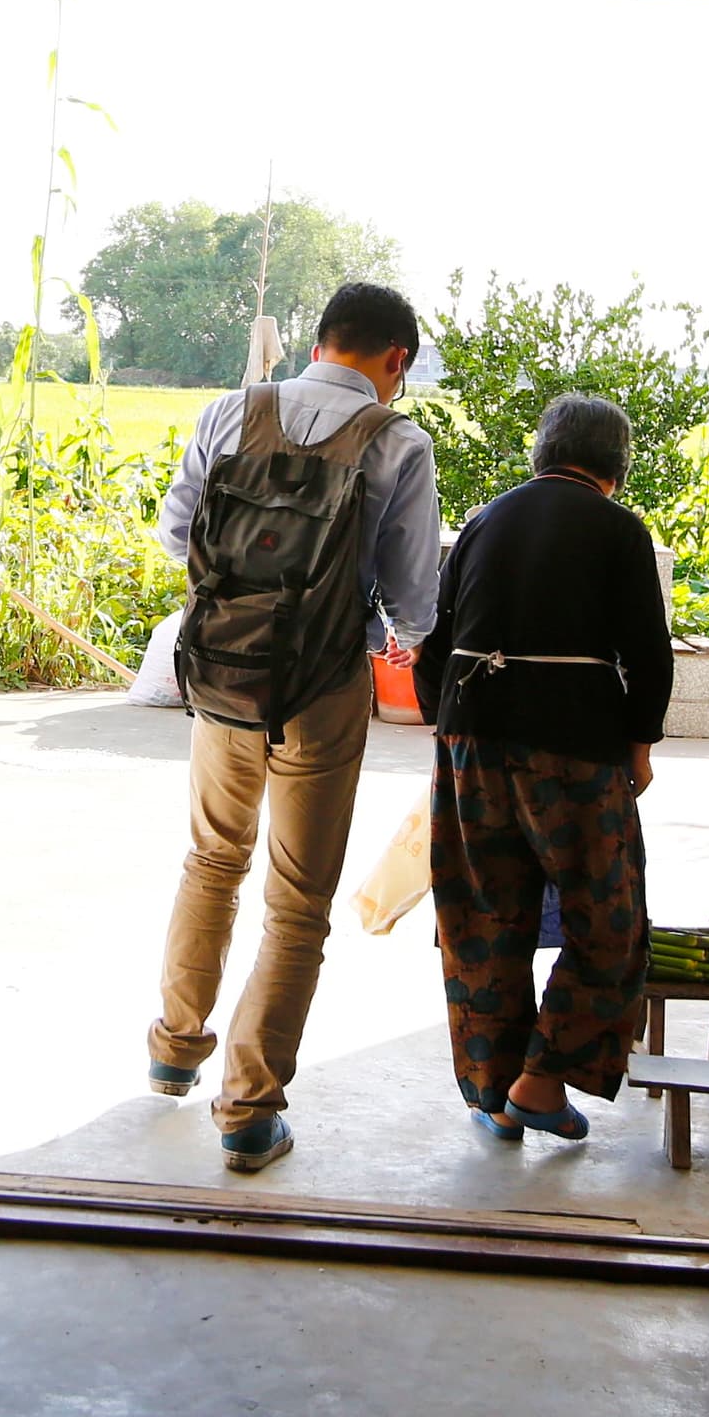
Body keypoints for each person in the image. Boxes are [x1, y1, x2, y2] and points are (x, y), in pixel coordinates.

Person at [145, 281, 442, 1172]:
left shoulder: (231, 412)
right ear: (395, 359)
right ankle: (247, 1108)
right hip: (320, 688)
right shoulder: (398, 441)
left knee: (211, 860)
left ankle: (173, 1046)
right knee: (297, 902)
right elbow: (414, 600)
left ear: (321, 341)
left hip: (224, 678)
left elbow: (175, 534)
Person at [414, 392, 673, 1142]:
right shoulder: (619, 529)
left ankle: (493, 1092)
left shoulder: (487, 519)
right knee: (608, 917)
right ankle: (541, 1081)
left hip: (469, 745)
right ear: (615, 466)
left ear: (543, 452)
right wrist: (640, 744)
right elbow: (648, 654)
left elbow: (435, 647)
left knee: (481, 916)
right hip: (572, 747)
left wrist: (454, 733)